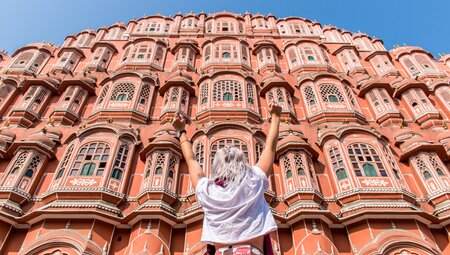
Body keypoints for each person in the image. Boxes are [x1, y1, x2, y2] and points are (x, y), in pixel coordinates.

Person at [171, 102, 282, 255]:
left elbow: (191, 160)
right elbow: (270, 147)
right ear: (243, 163)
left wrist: (181, 131)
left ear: (215, 167)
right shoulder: (253, 181)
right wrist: (276, 117)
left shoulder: (207, 190)